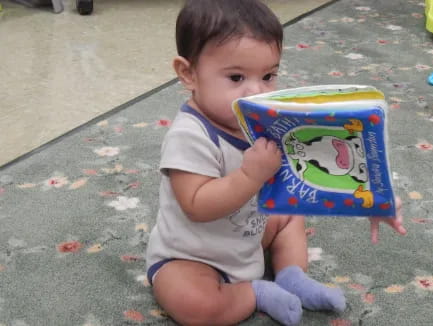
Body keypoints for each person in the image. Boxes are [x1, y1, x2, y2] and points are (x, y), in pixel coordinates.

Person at [145, 0, 407, 325]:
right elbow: (196, 205)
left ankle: (291, 276)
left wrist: (372, 198)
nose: (256, 91)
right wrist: (250, 176)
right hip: (193, 256)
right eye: (237, 77)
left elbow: (315, 173)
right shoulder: (190, 134)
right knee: (195, 306)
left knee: (289, 218)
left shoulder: (267, 122)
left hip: (248, 235)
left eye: (268, 75)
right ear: (188, 74)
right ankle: (255, 293)